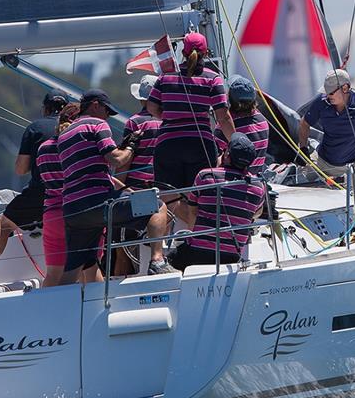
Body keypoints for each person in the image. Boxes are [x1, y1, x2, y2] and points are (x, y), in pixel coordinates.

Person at [57, 88, 175, 285]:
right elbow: (117, 160)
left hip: (73, 209)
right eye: (107, 111)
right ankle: (157, 261)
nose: (108, 117)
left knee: (73, 270)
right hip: (98, 202)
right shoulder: (97, 124)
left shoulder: (64, 134)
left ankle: (55, 310)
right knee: (156, 205)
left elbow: (87, 170)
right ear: (95, 106)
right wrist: (131, 146)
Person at [0, 88, 68, 284]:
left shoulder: (36, 128)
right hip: (71, 193)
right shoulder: (76, 128)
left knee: (4, 223)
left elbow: (20, 169)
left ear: (45, 109)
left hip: (40, 193)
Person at [147, 32, 236, 190]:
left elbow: (151, 107)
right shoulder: (213, 78)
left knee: (170, 199)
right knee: (199, 197)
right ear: (206, 53)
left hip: (168, 144)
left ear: (183, 53)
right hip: (200, 145)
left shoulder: (166, 77)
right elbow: (223, 117)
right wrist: (235, 142)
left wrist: (170, 118)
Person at [169, 133, 266, 271]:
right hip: (231, 256)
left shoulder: (205, 176)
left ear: (227, 155)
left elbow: (193, 212)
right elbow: (256, 213)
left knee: (167, 263)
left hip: (198, 252)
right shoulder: (258, 186)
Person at [36, 103, 102, 287]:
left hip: (52, 215)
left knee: (53, 275)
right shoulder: (79, 145)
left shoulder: (43, 148)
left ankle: (47, 313)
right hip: (77, 212)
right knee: (90, 270)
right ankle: (96, 312)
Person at [112, 74, 162, 275]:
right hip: (162, 187)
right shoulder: (167, 122)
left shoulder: (134, 123)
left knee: (120, 248)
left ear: (141, 98)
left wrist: (118, 187)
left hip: (136, 190)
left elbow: (124, 161)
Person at [215, 75, 269, 176]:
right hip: (256, 179)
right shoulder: (262, 121)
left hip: (234, 180)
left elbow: (216, 159)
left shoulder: (225, 127)